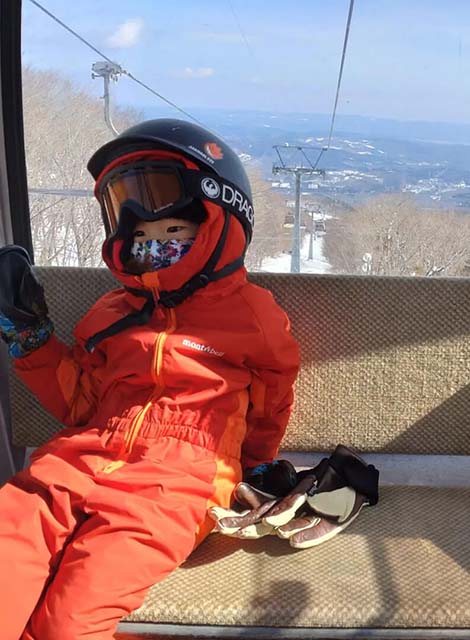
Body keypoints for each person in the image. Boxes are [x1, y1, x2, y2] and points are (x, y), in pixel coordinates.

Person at [0, 119, 300, 639]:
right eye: (138, 235)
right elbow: (79, 405)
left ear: (218, 219)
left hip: (178, 480)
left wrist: (255, 464)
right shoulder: (110, 312)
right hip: (76, 460)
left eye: (171, 232)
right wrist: (32, 338)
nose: (152, 244)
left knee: (69, 621)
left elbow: (272, 394)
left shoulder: (250, 314)